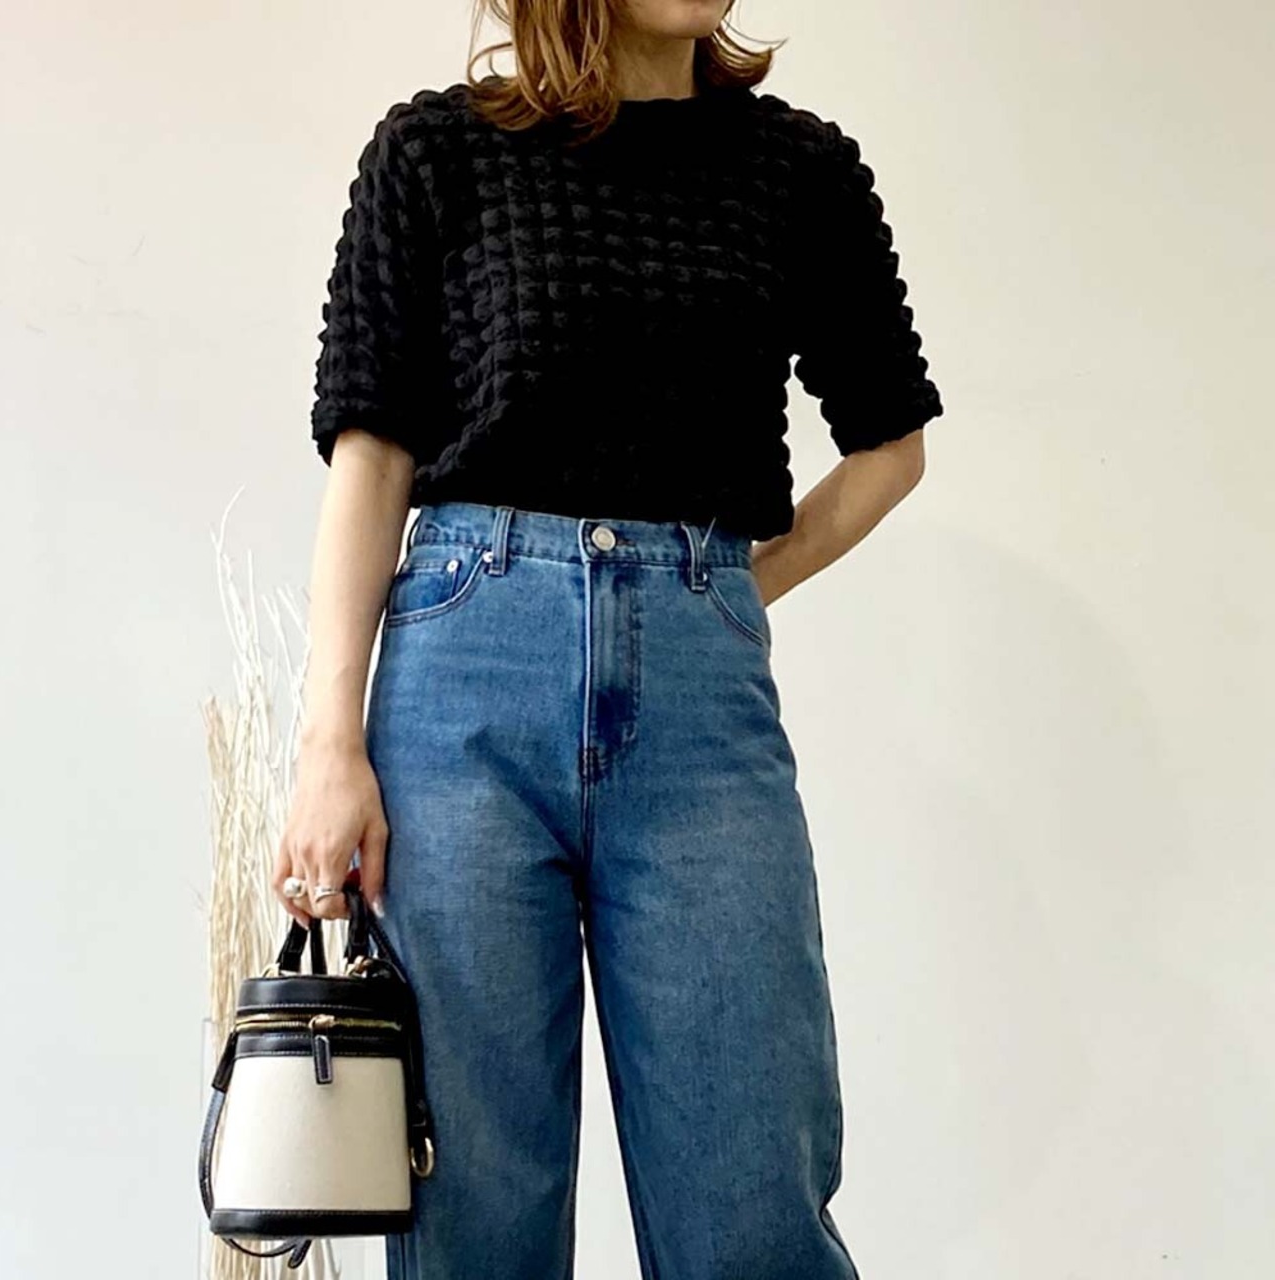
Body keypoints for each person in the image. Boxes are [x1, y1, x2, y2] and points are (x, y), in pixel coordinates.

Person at [273, 1, 943, 1276]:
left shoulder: (797, 169)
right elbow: (372, 453)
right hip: (460, 693)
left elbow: (888, 445)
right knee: (471, 1207)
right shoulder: (436, 151)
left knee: (750, 1203)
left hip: (699, 713)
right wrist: (327, 746)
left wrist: (722, 593)